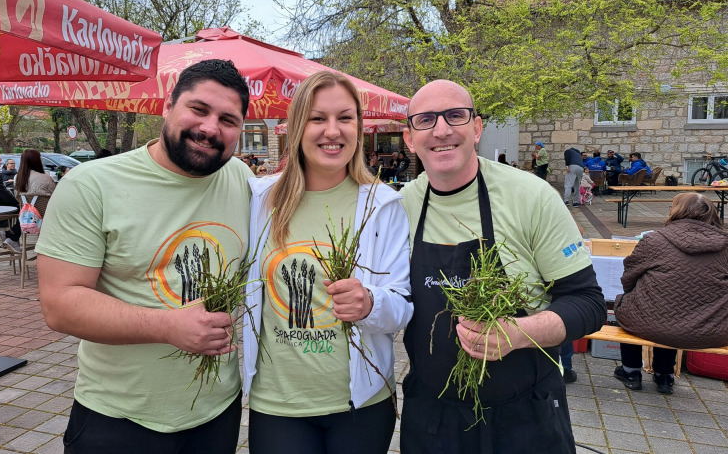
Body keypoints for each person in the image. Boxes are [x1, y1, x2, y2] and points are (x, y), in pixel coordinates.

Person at [35, 60, 253, 454]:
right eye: (198, 109)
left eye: (228, 119)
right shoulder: (91, 185)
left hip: (218, 410)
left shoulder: (243, 180)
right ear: (167, 106)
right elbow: (60, 305)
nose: (210, 128)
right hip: (118, 417)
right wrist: (167, 326)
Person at [399, 80, 606, 453]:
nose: (441, 130)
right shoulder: (400, 207)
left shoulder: (531, 197)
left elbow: (588, 304)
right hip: (431, 420)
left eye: (455, 116)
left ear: (476, 128)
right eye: (426, 119)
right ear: (409, 139)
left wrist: (517, 333)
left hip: (525, 420)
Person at [242, 71, 412, 454]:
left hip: (361, 405)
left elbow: (401, 306)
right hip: (278, 405)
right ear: (297, 127)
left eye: (345, 118)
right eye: (317, 118)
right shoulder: (259, 200)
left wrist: (370, 303)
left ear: (358, 127)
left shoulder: (382, 206)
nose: (332, 131)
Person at [613, 193, 728, 395]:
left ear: (676, 212)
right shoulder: (725, 246)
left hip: (654, 323)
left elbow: (628, 277)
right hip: (711, 330)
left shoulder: (654, 240)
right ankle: (664, 375)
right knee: (676, 310)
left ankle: (631, 372)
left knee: (627, 304)